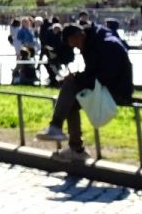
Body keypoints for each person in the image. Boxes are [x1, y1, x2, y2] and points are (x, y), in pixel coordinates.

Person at [36, 19, 133, 160]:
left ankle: (58, 129)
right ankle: (75, 148)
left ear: (80, 35)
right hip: (107, 84)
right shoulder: (93, 40)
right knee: (70, 99)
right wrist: (78, 77)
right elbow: (95, 73)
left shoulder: (106, 44)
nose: (77, 49)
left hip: (117, 89)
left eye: (76, 45)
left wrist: (77, 78)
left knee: (70, 88)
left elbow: (104, 75)